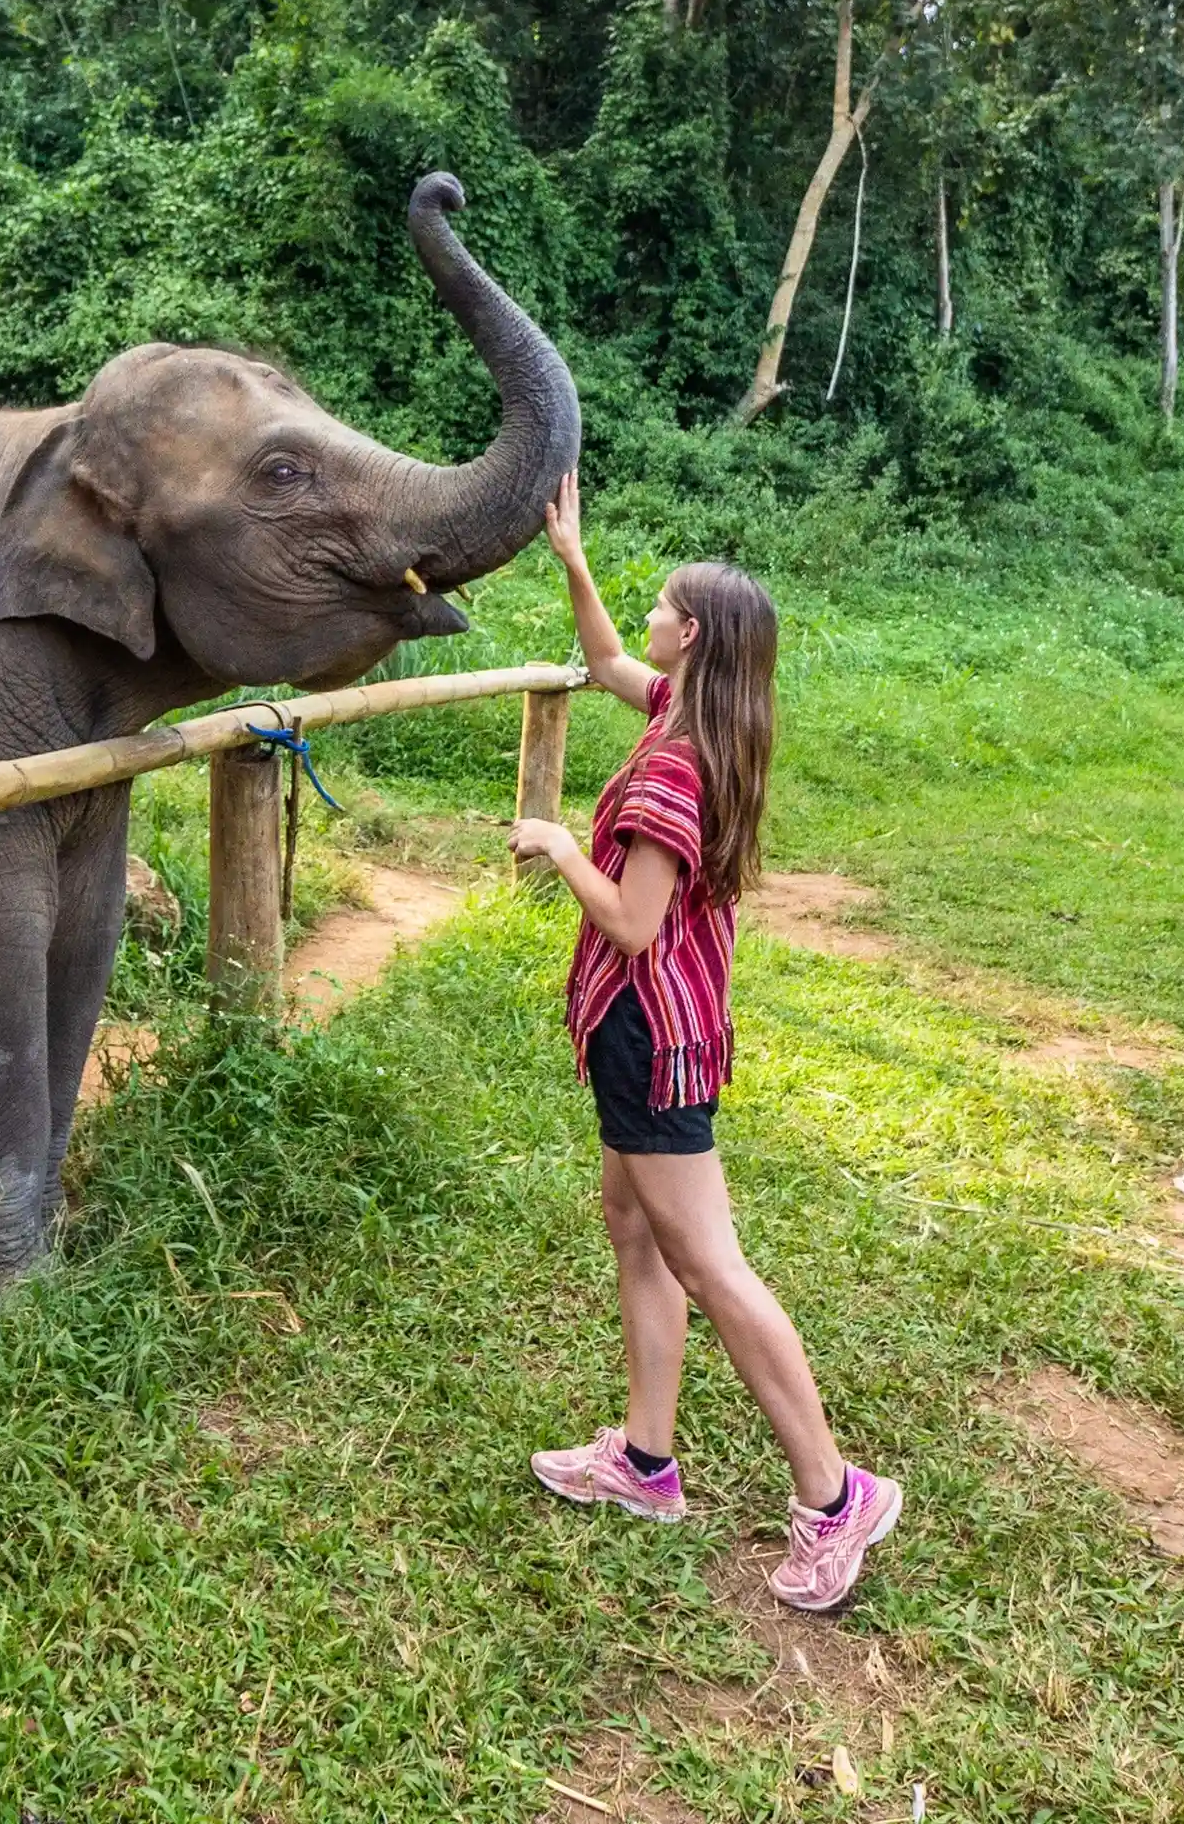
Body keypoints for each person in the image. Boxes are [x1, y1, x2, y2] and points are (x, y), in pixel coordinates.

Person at [510, 472, 903, 1614]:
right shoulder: (689, 718)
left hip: (653, 1037)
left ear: (691, 634)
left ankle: (835, 1496)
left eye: (659, 604)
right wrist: (573, 562)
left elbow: (630, 920)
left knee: (708, 1265)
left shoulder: (673, 764)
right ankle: (643, 1462)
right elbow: (597, 662)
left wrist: (551, 841)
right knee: (630, 1223)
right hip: (657, 1034)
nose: (645, 614)